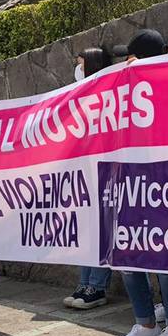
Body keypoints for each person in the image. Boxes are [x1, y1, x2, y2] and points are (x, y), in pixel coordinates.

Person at [113, 29, 168, 336]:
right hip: (130, 183)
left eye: (131, 57)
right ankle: (145, 324)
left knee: (165, 258)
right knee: (128, 257)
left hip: (163, 183)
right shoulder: (122, 88)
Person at [63, 47, 114, 310]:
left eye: (81, 63)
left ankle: (98, 285)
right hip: (84, 172)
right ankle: (85, 282)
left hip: (103, 172)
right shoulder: (76, 96)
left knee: (101, 230)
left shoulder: (105, 94)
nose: (77, 68)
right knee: (85, 230)